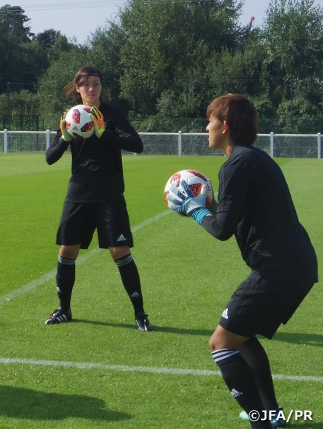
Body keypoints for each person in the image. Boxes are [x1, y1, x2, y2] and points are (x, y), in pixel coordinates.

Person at [167, 94, 318, 429]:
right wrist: (211, 203)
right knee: (243, 337)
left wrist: (194, 210)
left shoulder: (236, 163)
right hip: (297, 264)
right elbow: (234, 215)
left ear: (225, 126)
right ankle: (273, 416)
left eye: (210, 120)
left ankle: (261, 423)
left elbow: (221, 229)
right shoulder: (254, 159)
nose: (206, 126)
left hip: (278, 267)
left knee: (221, 342)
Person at [44, 67, 152, 331]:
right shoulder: (71, 117)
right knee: (67, 249)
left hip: (109, 192)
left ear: (101, 87)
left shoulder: (113, 114)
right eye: (86, 85)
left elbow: (136, 144)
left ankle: (140, 314)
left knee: (119, 251)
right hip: (79, 192)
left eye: (96, 84)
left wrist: (104, 133)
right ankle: (64, 310)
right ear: (78, 89)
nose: (92, 89)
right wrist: (66, 138)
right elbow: (50, 157)